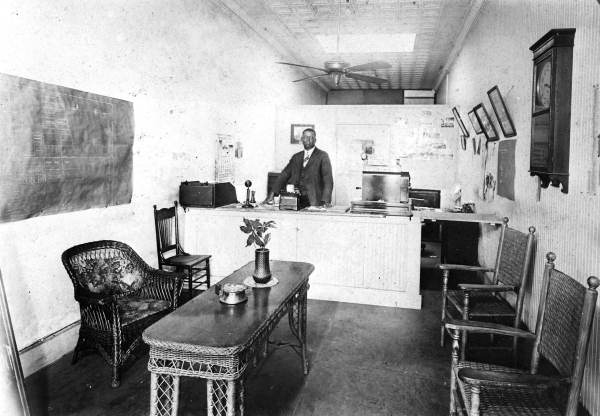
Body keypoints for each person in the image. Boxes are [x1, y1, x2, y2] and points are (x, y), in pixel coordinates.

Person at [265, 128, 333, 207]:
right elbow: (284, 175)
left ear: (315, 140)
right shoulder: (296, 157)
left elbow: (328, 181)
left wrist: (326, 201)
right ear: (302, 139)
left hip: (314, 202)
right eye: (305, 137)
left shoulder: (323, 156)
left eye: (311, 137)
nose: (308, 140)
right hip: (295, 201)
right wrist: (272, 193)